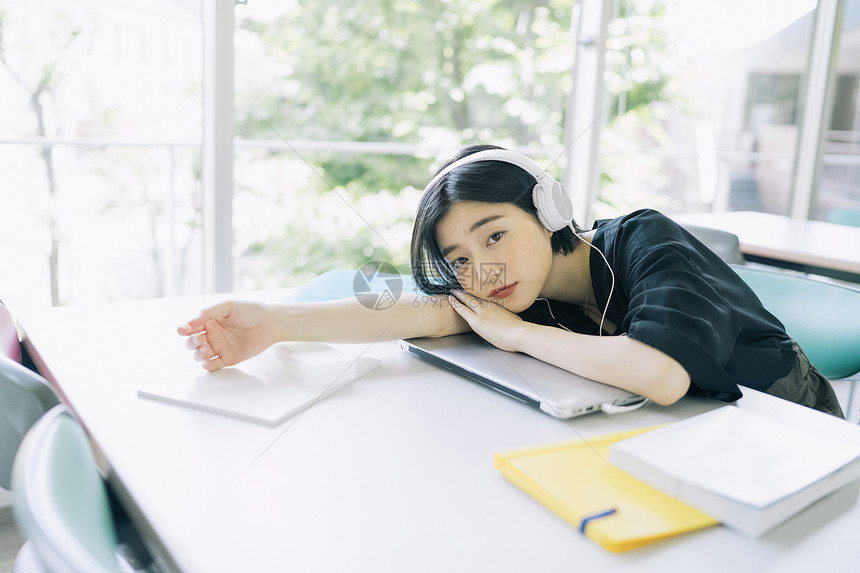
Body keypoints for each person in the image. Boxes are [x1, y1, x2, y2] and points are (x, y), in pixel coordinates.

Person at [178, 145, 844, 417]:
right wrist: (273, 322)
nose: (481, 269)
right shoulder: (522, 289)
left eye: (494, 234)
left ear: (548, 209)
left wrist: (520, 336)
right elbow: (426, 312)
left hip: (790, 430)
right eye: (460, 258)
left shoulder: (645, 238)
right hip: (697, 437)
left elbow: (664, 376)